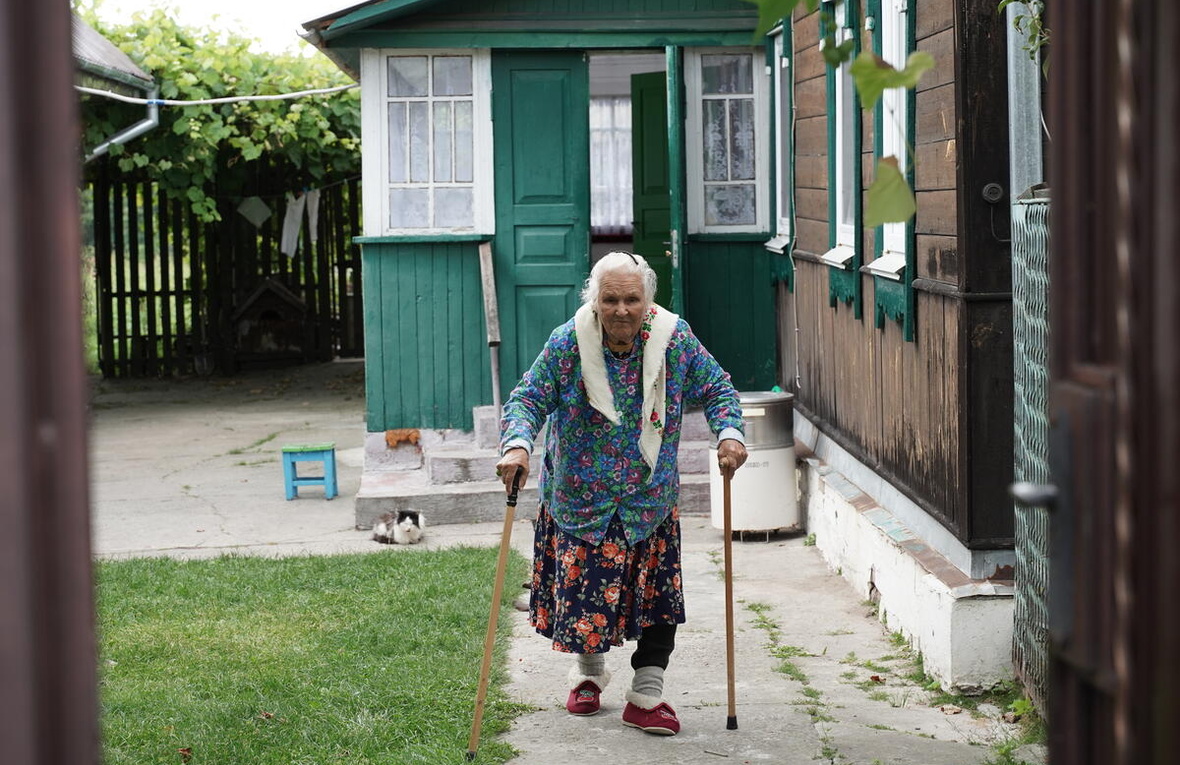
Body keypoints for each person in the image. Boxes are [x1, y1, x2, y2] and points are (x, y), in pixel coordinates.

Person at [495, 251, 748, 736]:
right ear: (594, 300)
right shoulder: (568, 342)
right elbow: (528, 398)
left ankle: (647, 693)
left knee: (656, 599)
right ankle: (588, 675)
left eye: (632, 299)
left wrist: (730, 433)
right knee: (587, 597)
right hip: (580, 500)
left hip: (646, 498)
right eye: (610, 299)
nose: (621, 311)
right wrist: (518, 444)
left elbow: (718, 388)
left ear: (647, 300)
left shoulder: (674, 339)